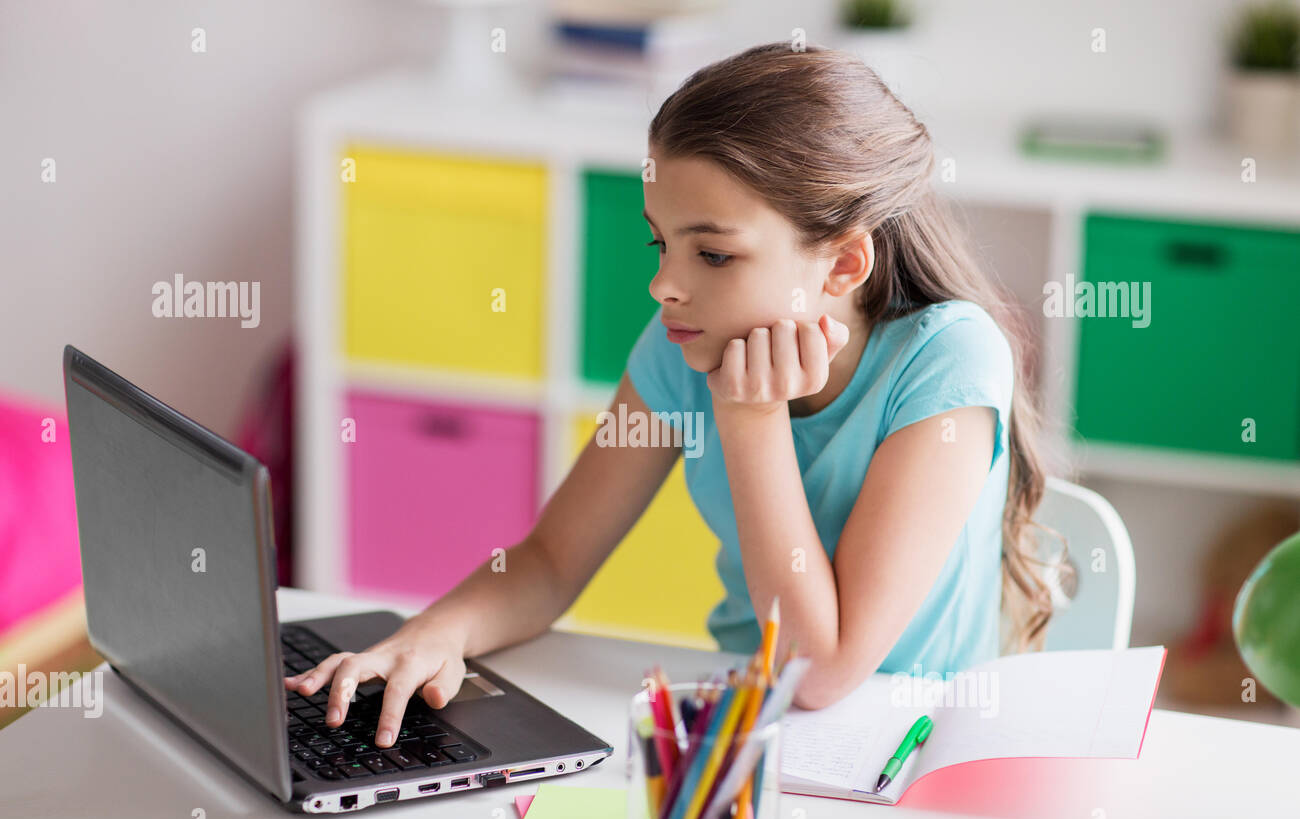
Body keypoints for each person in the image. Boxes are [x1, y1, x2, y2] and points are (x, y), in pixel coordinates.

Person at [286, 42, 1056, 748]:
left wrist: (749, 417)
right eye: (662, 242)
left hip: (903, 747)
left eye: (714, 253)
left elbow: (820, 673)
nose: (664, 286)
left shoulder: (947, 361)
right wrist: (437, 631)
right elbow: (554, 559)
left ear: (843, 266)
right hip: (749, 730)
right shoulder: (681, 346)